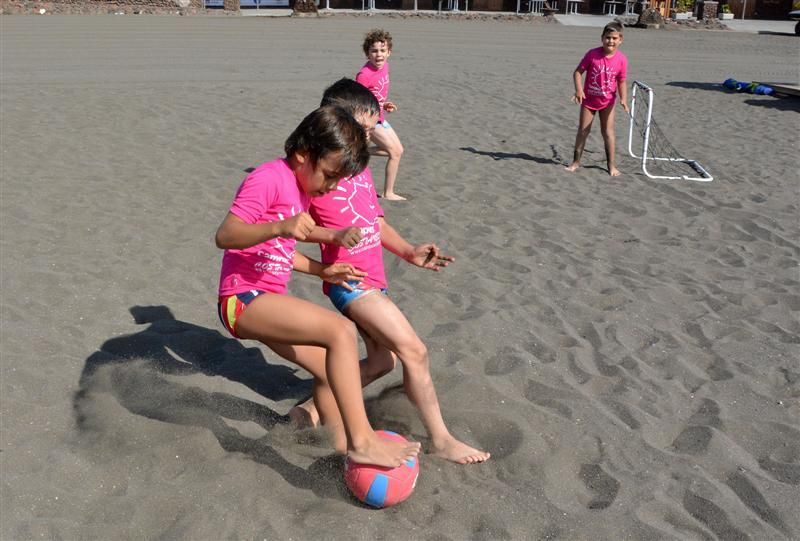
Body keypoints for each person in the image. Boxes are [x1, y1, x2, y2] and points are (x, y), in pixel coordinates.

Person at [290, 79, 491, 465]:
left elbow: (375, 222)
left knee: (384, 362)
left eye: (372, 130)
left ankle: (311, 410)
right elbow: (290, 227)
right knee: (415, 351)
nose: (371, 137)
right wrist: (322, 261)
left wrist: (409, 251)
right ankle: (442, 439)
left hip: (374, 281)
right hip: (351, 284)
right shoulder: (316, 176)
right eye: (364, 130)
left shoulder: (360, 170)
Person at [214, 105, 420, 468]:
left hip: (265, 298)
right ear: (302, 154)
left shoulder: (299, 189)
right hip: (242, 297)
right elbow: (227, 235)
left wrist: (322, 269)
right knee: (339, 331)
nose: (331, 186)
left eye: (339, 181)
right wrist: (279, 227)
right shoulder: (268, 178)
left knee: (330, 368)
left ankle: (344, 453)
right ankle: (362, 440)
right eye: (329, 175)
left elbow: (278, 253)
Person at [565, 21, 629, 177]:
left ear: (620, 39)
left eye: (614, 38)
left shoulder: (621, 59)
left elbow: (622, 81)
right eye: (608, 38)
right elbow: (578, 73)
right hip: (589, 101)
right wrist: (579, 90)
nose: (611, 41)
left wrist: (624, 99)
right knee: (583, 131)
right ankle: (575, 162)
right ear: (602, 38)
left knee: (608, 132)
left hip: (608, 102)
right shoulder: (592, 54)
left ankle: (611, 166)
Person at [356, 28, 406, 201]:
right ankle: (388, 192)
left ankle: (360, 150)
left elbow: (376, 94)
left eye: (382, 50)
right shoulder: (364, 75)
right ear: (367, 53)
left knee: (398, 150)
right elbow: (359, 102)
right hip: (370, 120)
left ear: (389, 52)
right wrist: (365, 128)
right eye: (374, 51)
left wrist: (384, 104)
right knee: (394, 153)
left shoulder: (385, 66)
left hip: (380, 116)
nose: (379, 55)